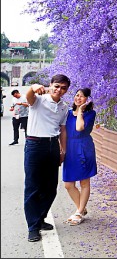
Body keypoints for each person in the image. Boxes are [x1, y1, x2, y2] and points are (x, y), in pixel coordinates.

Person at [23, 74, 71, 242]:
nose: (59, 90)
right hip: (35, 144)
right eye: (57, 86)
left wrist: (63, 150)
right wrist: (33, 86)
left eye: (63, 88)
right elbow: (29, 97)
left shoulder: (64, 107)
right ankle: (33, 227)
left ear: (66, 90)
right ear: (51, 85)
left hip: (52, 146)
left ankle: (40, 218)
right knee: (33, 186)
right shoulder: (39, 100)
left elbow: (63, 129)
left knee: (51, 187)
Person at [63, 87, 97, 225]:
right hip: (70, 149)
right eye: (77, 95)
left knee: (84, 182)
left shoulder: (90, 113)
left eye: (82, 96)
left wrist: (81, 111)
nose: (78, 98)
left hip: (83, 148)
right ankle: (81, 209)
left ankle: (79, 211)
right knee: (68, 184)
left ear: (87, 100)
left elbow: (79, 128)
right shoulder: (68, 113)